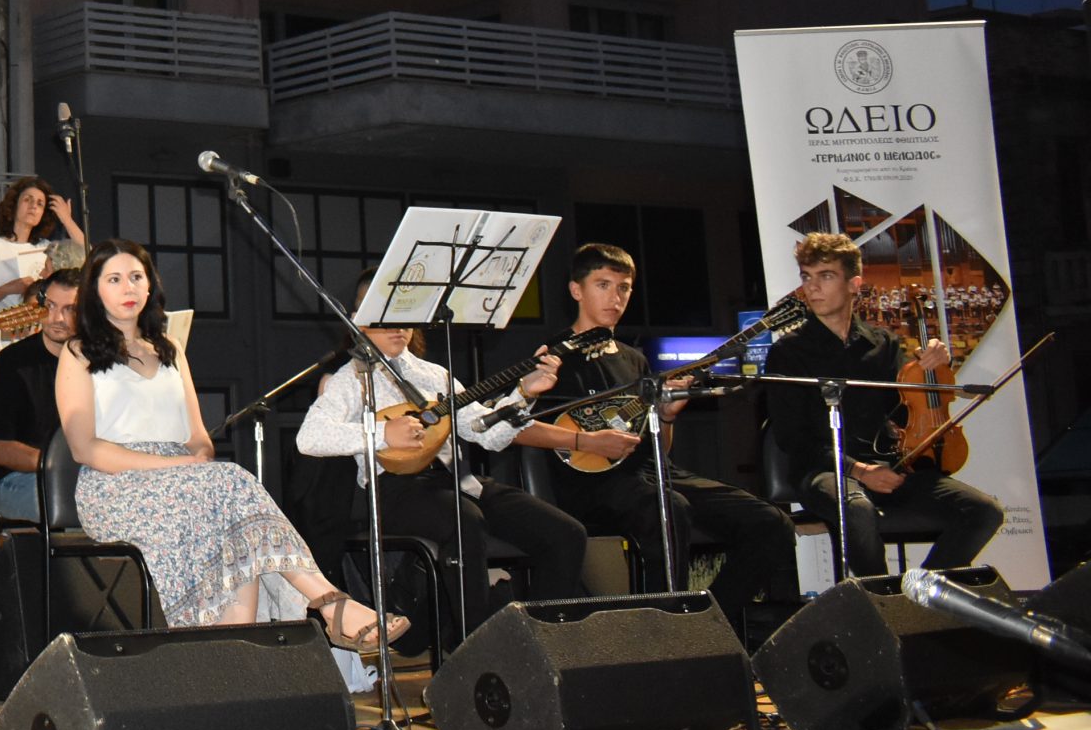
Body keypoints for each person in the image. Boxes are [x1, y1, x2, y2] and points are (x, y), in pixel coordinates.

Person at [59, 239, 404, 650]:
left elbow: (198, 437)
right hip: (114, 484)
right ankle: (330, 602)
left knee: (238, 529)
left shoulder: (169, 351)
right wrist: (180, 468)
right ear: (95, 291)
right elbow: (85, 449)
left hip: (187, 478)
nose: (128, 288)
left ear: (150, 285)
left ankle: (241, 654)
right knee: (231, 487)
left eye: (136, 277)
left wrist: (197, 459)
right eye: (114, 279)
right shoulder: (77, 352)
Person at [519, 244, 798, 629]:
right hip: (592, 483)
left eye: (624, 288)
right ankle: (665, 629)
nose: (615, 298)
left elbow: (658, 448)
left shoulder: (635, 360)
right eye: (603, 285)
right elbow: (519, 429)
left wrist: (665, 417)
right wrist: (585, 442)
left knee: (771, 522)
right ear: (576, 290)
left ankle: (710, 622)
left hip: (653, 474)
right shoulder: (553, 357)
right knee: (671, 507)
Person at [295, 278, 586, 634]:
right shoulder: (351, 379)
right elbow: (309, 438)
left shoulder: (435, 375)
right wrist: (381, 433)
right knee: (466, 521)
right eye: (387, 316)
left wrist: (524, 394)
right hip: (394, 491)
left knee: (566, 533)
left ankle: (543, 637)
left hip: (458, 480)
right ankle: (476, 648)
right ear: (358, 318)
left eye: (407, 315)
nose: (400, 326)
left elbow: (488, 434)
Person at [765, 232, 1003, 576]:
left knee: (984, 511)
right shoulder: (788, 352)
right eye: (807, 277)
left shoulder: (884, 344)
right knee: (857, 508)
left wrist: (933, 367)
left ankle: (921, 595)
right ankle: (879, 600)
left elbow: (906, 408)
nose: (812, 288)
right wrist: (859, 470)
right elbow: (792, 438)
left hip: (890, 465)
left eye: (826, 276)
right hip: (825, 471)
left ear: (854, 283)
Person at [0, 272, 80, 520]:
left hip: (83, 477)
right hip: (19, 479)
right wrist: (58, 466)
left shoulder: (96, 362)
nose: (57, 318)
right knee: (69, 499)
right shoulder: (11, 363)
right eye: (51, 306)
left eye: (70, 309)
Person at [0, 176, 81, 306]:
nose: (33, 206)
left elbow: (87, 254)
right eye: (28, 200)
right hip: (4, 324)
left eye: (40, 204)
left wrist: (67, 220)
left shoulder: (47, 248)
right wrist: (7, 289)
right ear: (14, 205)